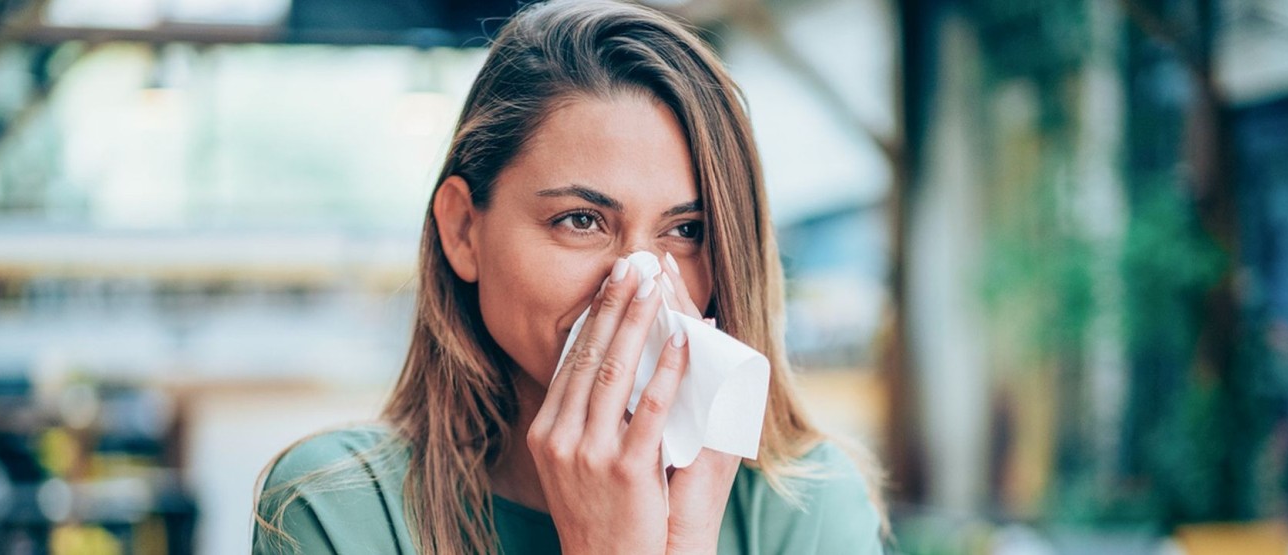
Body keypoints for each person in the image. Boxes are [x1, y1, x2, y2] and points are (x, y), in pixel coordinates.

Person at [254, 1, 886, 552]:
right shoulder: (336, 508)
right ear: (463, 231)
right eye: (581, 220)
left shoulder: (807, 508)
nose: (641, 286)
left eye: (685, 230)